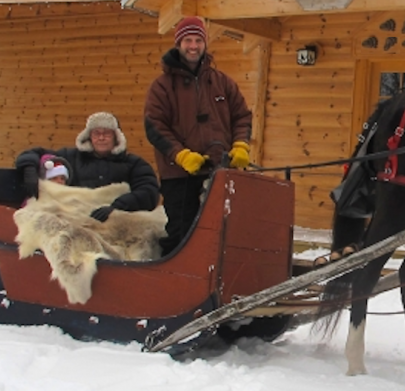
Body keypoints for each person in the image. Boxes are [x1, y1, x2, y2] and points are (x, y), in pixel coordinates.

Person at [145, 16, 253, 254]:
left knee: (223, 233)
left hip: (220, 171)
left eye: (198, 40)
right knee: (182, 236)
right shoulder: (162, 87)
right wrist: (181, 155)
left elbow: (242, 116)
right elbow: (154, 126)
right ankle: (174, 286)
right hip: (179, 176)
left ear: (205, 44)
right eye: (187, 40)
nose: (193, 46)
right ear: (178, 44)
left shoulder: (222, 82)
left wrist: (240, 146)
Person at [15, 112, 160, 222]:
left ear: (116, 137)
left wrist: (118, 206)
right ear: (89, 136)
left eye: (107, 133)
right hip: (76, 220)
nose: (101, 137)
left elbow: (149, 192)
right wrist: (29, 169)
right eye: (96, 133)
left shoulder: (133, 164)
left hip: (116, 222)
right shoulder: (70, 156)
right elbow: (34, 153)